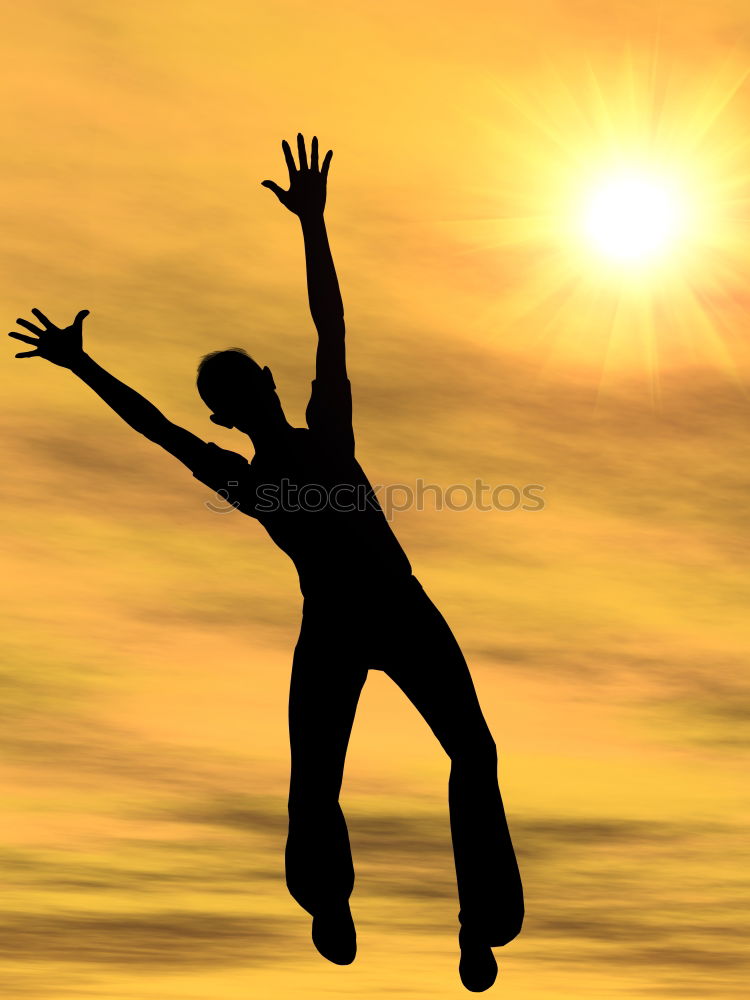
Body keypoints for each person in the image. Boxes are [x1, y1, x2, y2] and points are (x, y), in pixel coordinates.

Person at [9, 134, 524, 992]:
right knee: (321, 777)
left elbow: (332, 325)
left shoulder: (321, 436)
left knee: (469, 750)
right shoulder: (253, 472)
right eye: (231, 397)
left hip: (395, 607)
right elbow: (160, 428)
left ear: (264, 385)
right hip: (340, 620)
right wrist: (83, 365)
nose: (244, 398)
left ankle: (477, 925)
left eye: (244, 384)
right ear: (230, 413)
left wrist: (314, 227)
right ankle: (334, 901)